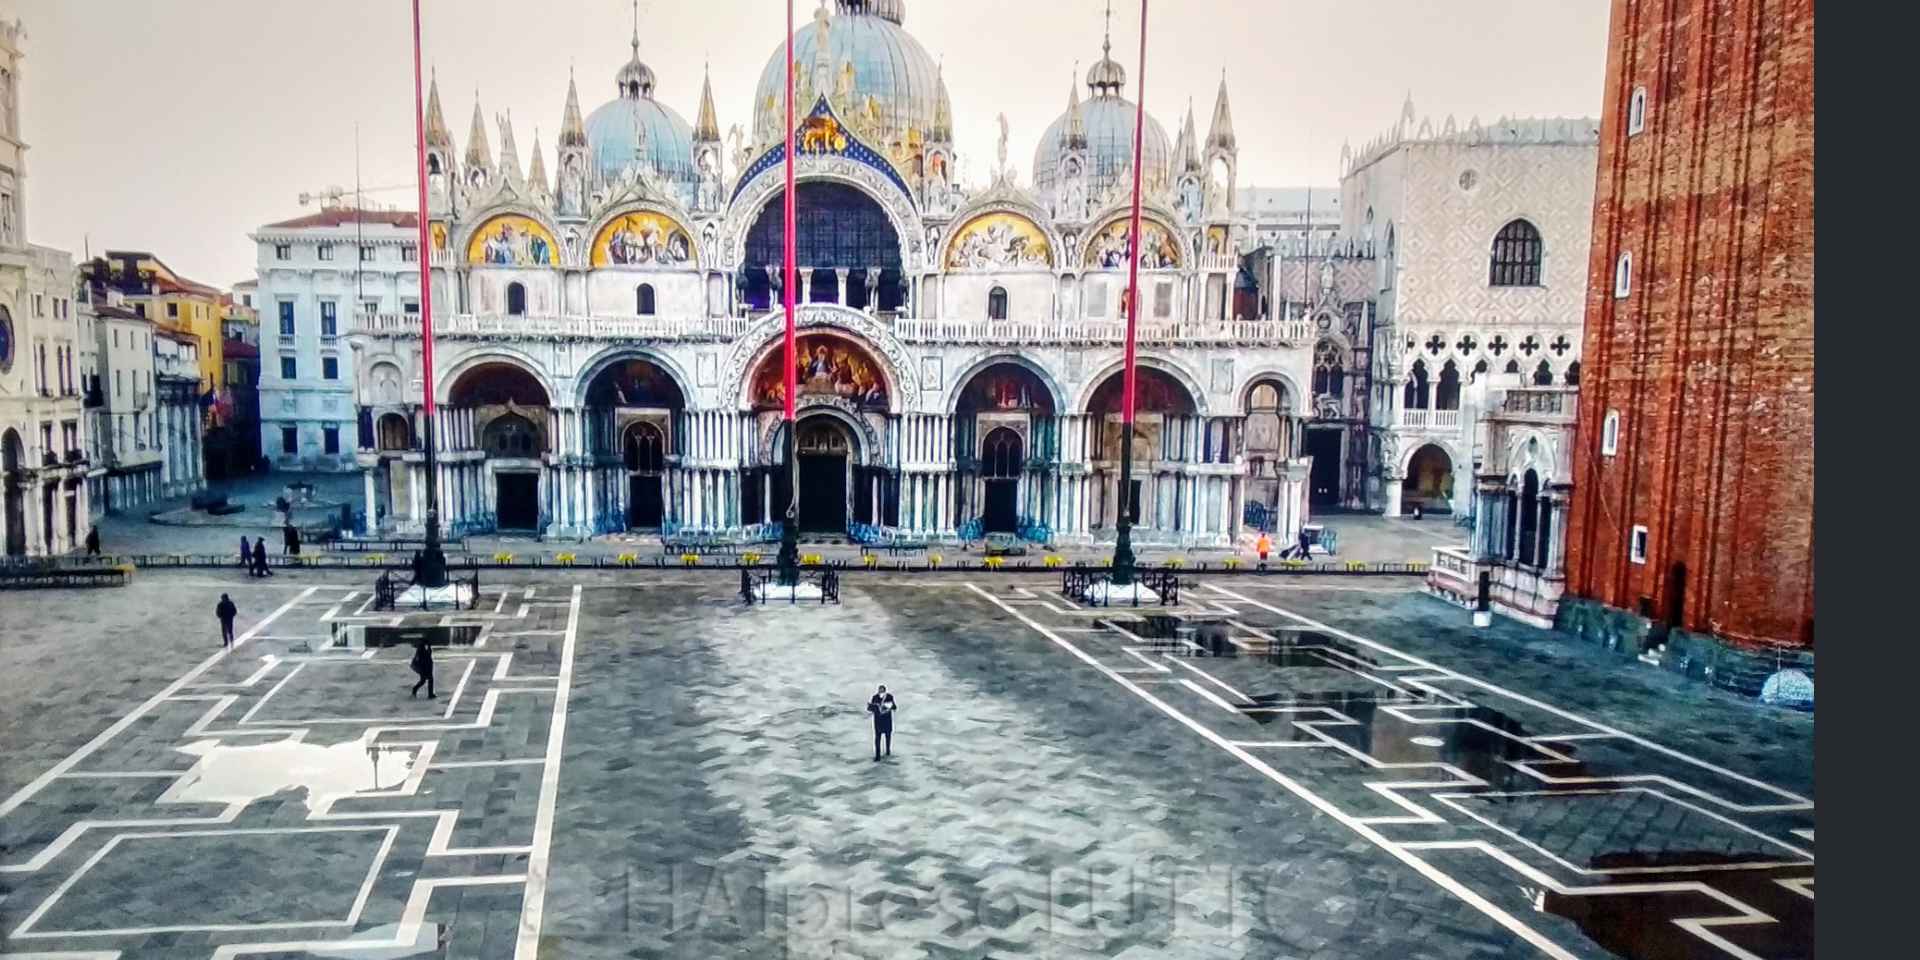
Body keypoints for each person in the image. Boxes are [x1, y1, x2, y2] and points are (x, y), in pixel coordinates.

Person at [866, 685, 896, 761]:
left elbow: (894, 707)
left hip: (887, 721)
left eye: (882, 690)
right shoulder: (875, 697)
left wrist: (888, 706)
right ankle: (877, 755)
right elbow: (870, 709)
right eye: (880, 690)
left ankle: (888, 752)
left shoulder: (889, 697)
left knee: (888, 737)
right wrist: (872, 706)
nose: (881, 692)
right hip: (878, 721)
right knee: (877, 738)